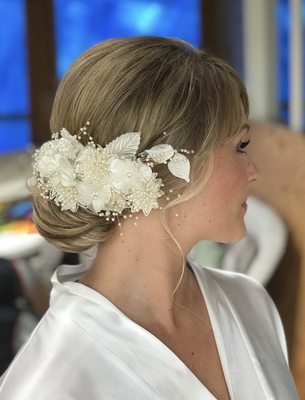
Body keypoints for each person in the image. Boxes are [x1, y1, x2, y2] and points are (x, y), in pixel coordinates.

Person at [0, 37, 299, 400]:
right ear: (166, 171)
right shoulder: (51, 382)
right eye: (239, 147)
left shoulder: (250, 303)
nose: (253, 172)